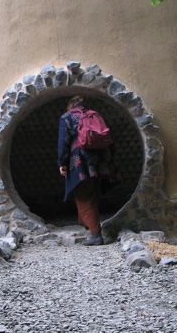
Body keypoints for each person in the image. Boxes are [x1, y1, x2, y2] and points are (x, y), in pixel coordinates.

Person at [57, 95, 121, 246]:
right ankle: (87, 224)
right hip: (100, 161)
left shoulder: (66, 117)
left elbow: (63, 142)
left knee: (84, 196)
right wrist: (109, 161)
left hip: (79, 162)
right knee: (91, 192)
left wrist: (62, 162)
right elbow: (109, 138)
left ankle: (95, 234)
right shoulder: (95, 114)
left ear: (70, 106)